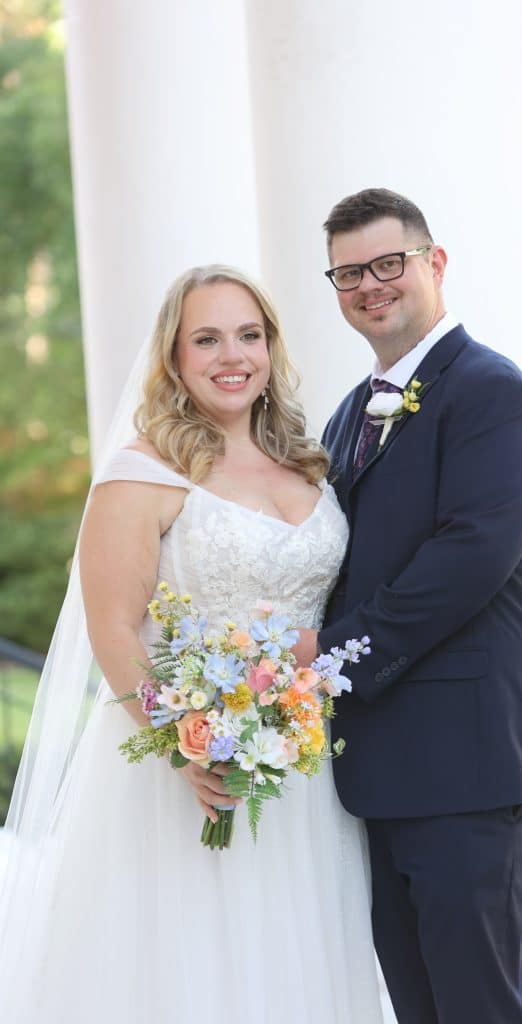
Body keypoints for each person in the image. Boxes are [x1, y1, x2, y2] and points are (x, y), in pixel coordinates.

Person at [0, 265, 383, 1023]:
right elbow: (113, 626)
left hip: (305, 771)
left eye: (248, 335)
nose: (230, 355)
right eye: (205, 339)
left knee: (298, 960)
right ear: (173, 357)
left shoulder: (308, 461)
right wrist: (187, 745)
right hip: (187, 769)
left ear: (270, 348)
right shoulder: (143, 472)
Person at [292, 189, 522, 1023]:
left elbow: (467, 560)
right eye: (348, 273)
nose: (369, 285)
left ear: (432, 263)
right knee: (418, 1008)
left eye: (387, 264)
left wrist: (327, 660)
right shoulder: (345, 416)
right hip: (379, 774)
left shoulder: (490, 392)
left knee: (478, 1006)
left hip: (471, 768)